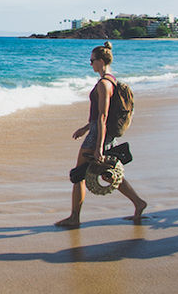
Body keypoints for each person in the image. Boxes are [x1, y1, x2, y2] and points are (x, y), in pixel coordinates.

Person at [56, 42, 147, 228]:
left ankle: (74, 218)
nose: (90, 64)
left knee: (78, 175)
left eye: (92, 60)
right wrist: (85, 128)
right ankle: (138, 203)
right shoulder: (111, 79)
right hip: (101, 134)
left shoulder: (104, 84)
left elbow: (103, 116)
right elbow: (99, 116)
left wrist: (98, 146)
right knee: (106, 173)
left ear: (101, 61)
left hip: (98, 136)